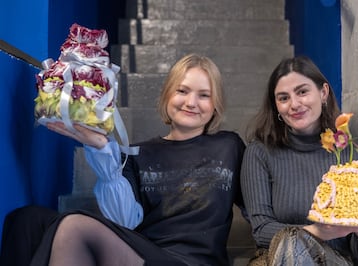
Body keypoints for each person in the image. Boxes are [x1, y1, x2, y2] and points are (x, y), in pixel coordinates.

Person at [0, 53, 246, 266]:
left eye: (204, 95)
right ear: (167, 95)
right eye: (182, 91)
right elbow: (123, 222)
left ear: (215, 105)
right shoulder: (136, 154)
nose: (191, 102)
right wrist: (103, 149)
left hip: (195, 261)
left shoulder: (229, 146)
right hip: (143, 254)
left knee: (74, 225)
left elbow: (258, 204)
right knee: (26, 220)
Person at [240, 56, 358, 265]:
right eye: (283, 98)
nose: (294, 104)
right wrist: (320, 231)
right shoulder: (260, 153)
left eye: (302, 92)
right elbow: (262, 230)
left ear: (323, 93)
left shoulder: (356, 156)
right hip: (275, 259)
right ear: (276, 106)